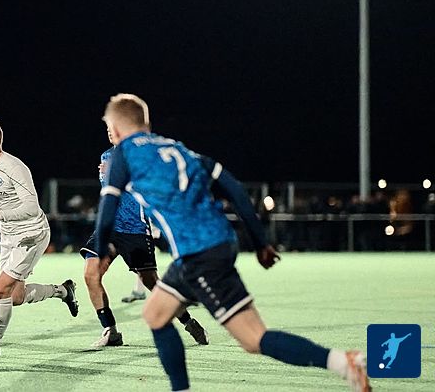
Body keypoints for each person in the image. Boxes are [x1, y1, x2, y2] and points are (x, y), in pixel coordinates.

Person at [95, 94, 369, 392]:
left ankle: (343, 362)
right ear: (146, 124)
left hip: (199, 254)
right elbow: (234, 188)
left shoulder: (123, 155)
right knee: (155, 314)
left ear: (117, 129)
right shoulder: (177, 148)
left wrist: (100, 252)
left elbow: (107, 211)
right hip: (219, 243)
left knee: (253, 338)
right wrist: (260, 242)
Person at [0, 117, 78, 359]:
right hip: (8, 235)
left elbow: (31, 207)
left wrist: (0, 215)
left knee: (1, 288)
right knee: (15, 297)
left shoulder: (15, 168)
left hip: (31, 234)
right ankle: (63, 291)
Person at [80, 143, 207, 348]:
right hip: (109, 227)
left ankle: (188, 321)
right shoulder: (106, 156)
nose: (111, 131)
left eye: (115, 128)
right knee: (91, 274)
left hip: (136, 229)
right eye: (109, 128)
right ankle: (111, 330)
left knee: (152, 283)